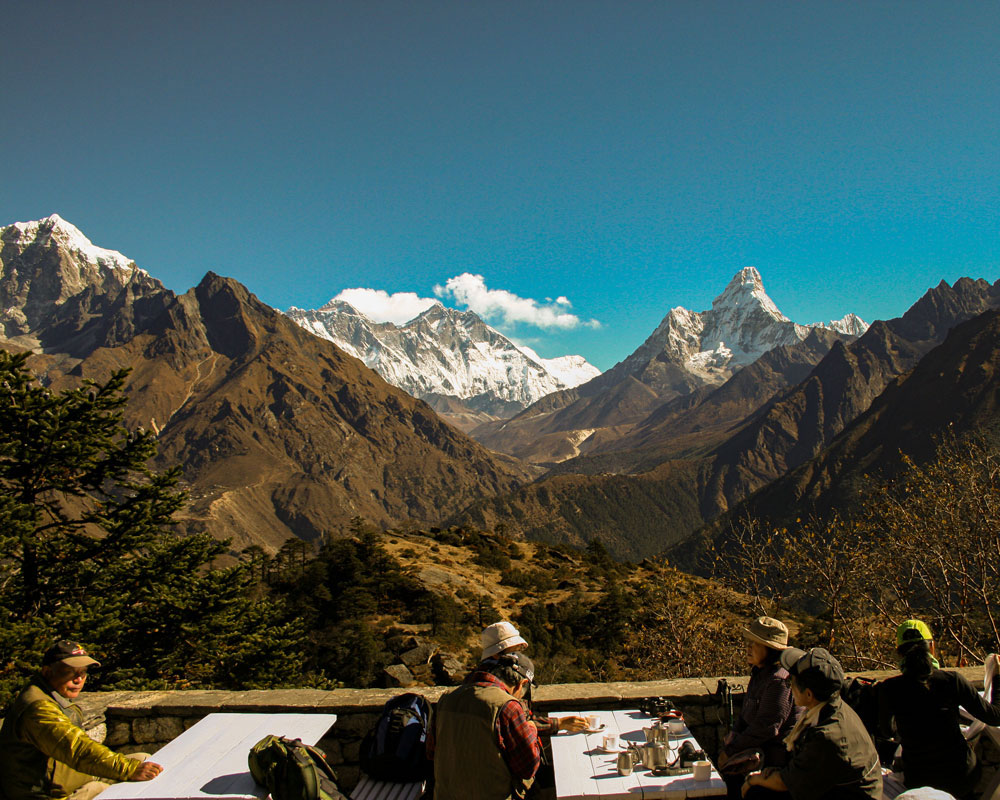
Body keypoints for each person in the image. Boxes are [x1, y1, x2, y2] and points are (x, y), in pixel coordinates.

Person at [0, 641, 163, 800]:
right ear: (48, 671)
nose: (79, 679)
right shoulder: (38, 709)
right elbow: (77, 748)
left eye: (83, 672)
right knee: (103, 790)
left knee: (144, 759)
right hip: (44, 795)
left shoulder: (54, 694)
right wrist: (129, 769)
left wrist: (132, 767)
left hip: (68, 781)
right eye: (71, 672)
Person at [877, 619, 1000, 798]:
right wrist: (997, 678)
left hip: (919, 780)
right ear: (932, 647)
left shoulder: (889, 688)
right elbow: (995, 716)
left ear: (899, 654)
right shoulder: (952, 681)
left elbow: (887, 730)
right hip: (962, 776)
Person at [742, 647, 882, 799]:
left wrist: (752, 781)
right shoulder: (834, 708)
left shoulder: (827, 736)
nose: (789, 687)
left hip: (845, 794)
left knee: (756, 793)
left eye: (791, 682)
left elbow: (787, 782)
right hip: (837, 788)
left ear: (809, 694)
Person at [431, 652, 542, 800]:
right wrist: (531, 728)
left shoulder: (447, 699)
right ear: (522, 684)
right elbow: (528, 767)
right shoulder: (507, 706)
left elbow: (431, 752)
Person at [719, 616, 802, 799]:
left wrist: (731, 751)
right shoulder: (760, 674)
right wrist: (733, 739)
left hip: (773, 763)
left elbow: (767, 726)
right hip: (755, 754)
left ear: (770, 649)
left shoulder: (779, 681)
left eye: (755, 644)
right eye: (749, 642)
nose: (748, 648)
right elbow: (745, 717)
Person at [479, 621, 587, 735]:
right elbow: (518, 727)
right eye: (513, 650)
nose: (517, 655)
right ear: (496, 654)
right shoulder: (501, 684)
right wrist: (557, 724)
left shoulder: (482, 677)